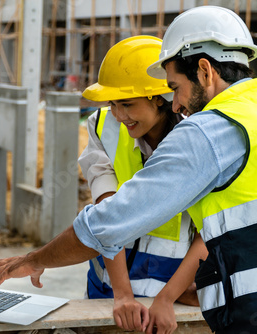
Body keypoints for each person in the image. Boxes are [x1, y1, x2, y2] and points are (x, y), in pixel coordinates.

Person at [0, 6, 257, 334]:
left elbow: (109, 222)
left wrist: (34, 260)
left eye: (176, 88)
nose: (177, 103)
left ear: (204, 70)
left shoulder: (210, 129)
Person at [79, 35, 202, 331]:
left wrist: (167, 297)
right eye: (113, 103)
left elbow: (207, 231)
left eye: (128, 104)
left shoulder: (199, 141)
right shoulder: (103, 127)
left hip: (167, 299)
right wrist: (122, 294)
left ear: (159, 98)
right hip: (107, 291)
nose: (119, 115)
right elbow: (108, 214)